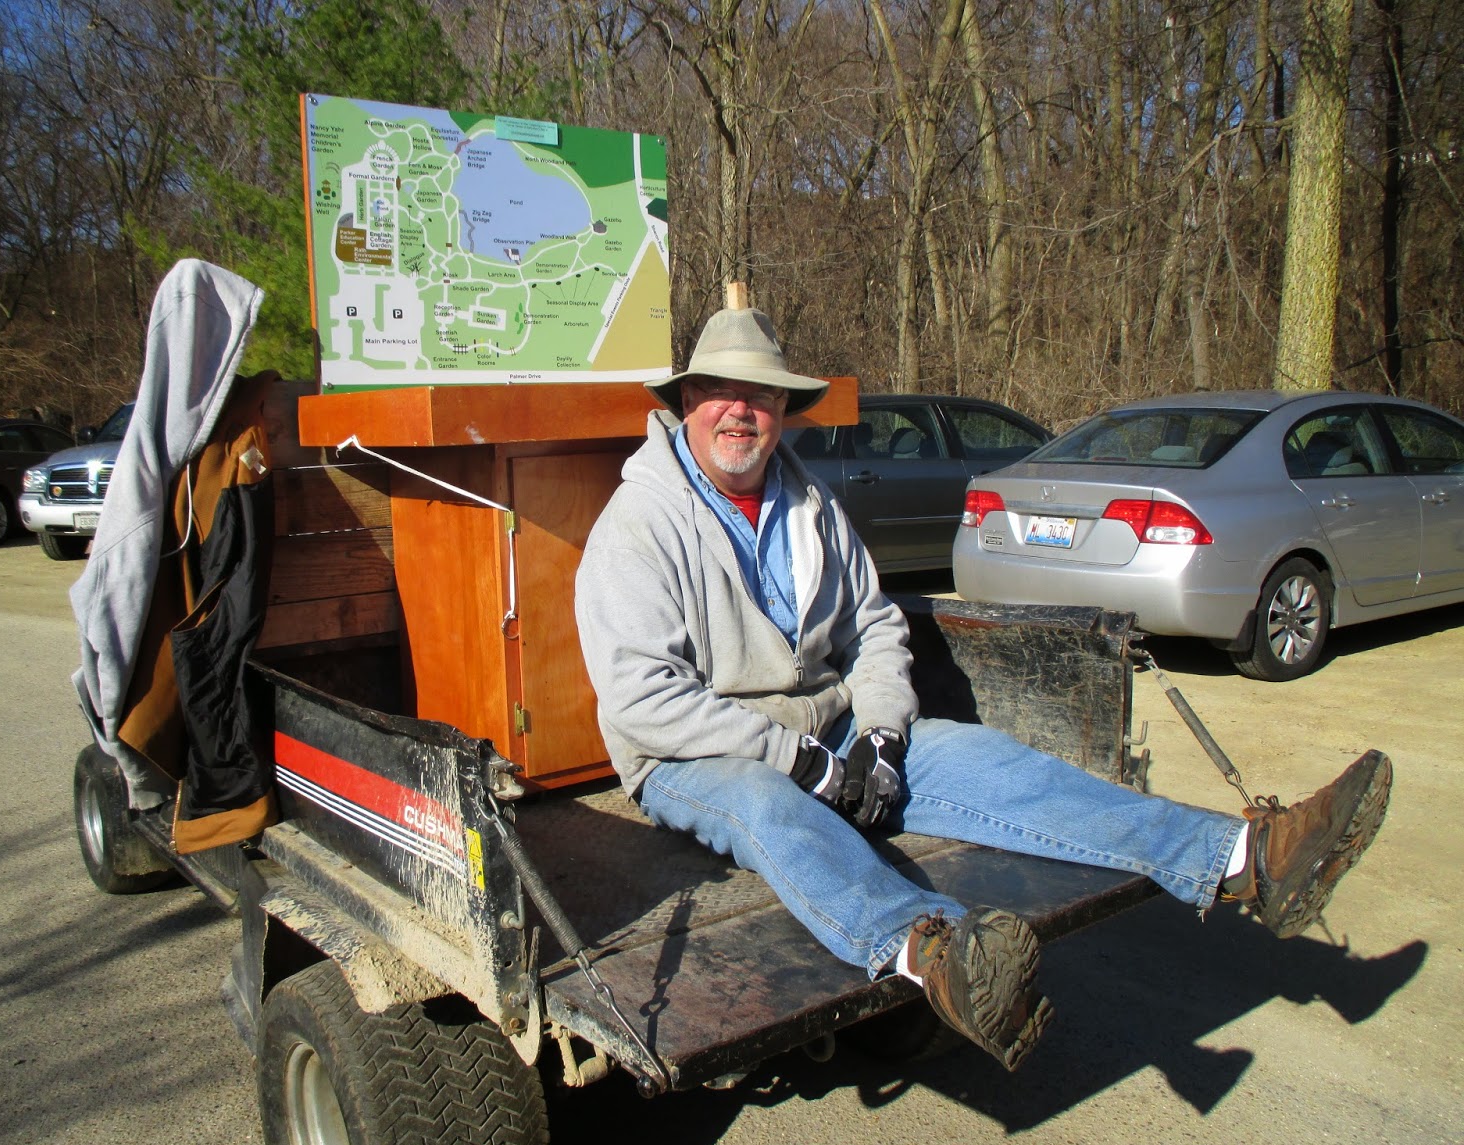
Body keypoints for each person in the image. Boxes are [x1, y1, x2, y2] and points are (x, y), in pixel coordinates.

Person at [573, 298, 1392, 1071]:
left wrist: (882, 734)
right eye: (721, 392)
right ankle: (936, 954)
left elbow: (876, 627)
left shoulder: (811, 504)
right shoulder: (640, 522)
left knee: (986, 759)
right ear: (688, 402)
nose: (741, 411)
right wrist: (797, 762)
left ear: (784, 409)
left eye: (761, 395)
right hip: (694, 756)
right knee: (769, 808)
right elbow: (645, 699)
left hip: (829, 729)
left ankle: (1243, 859)